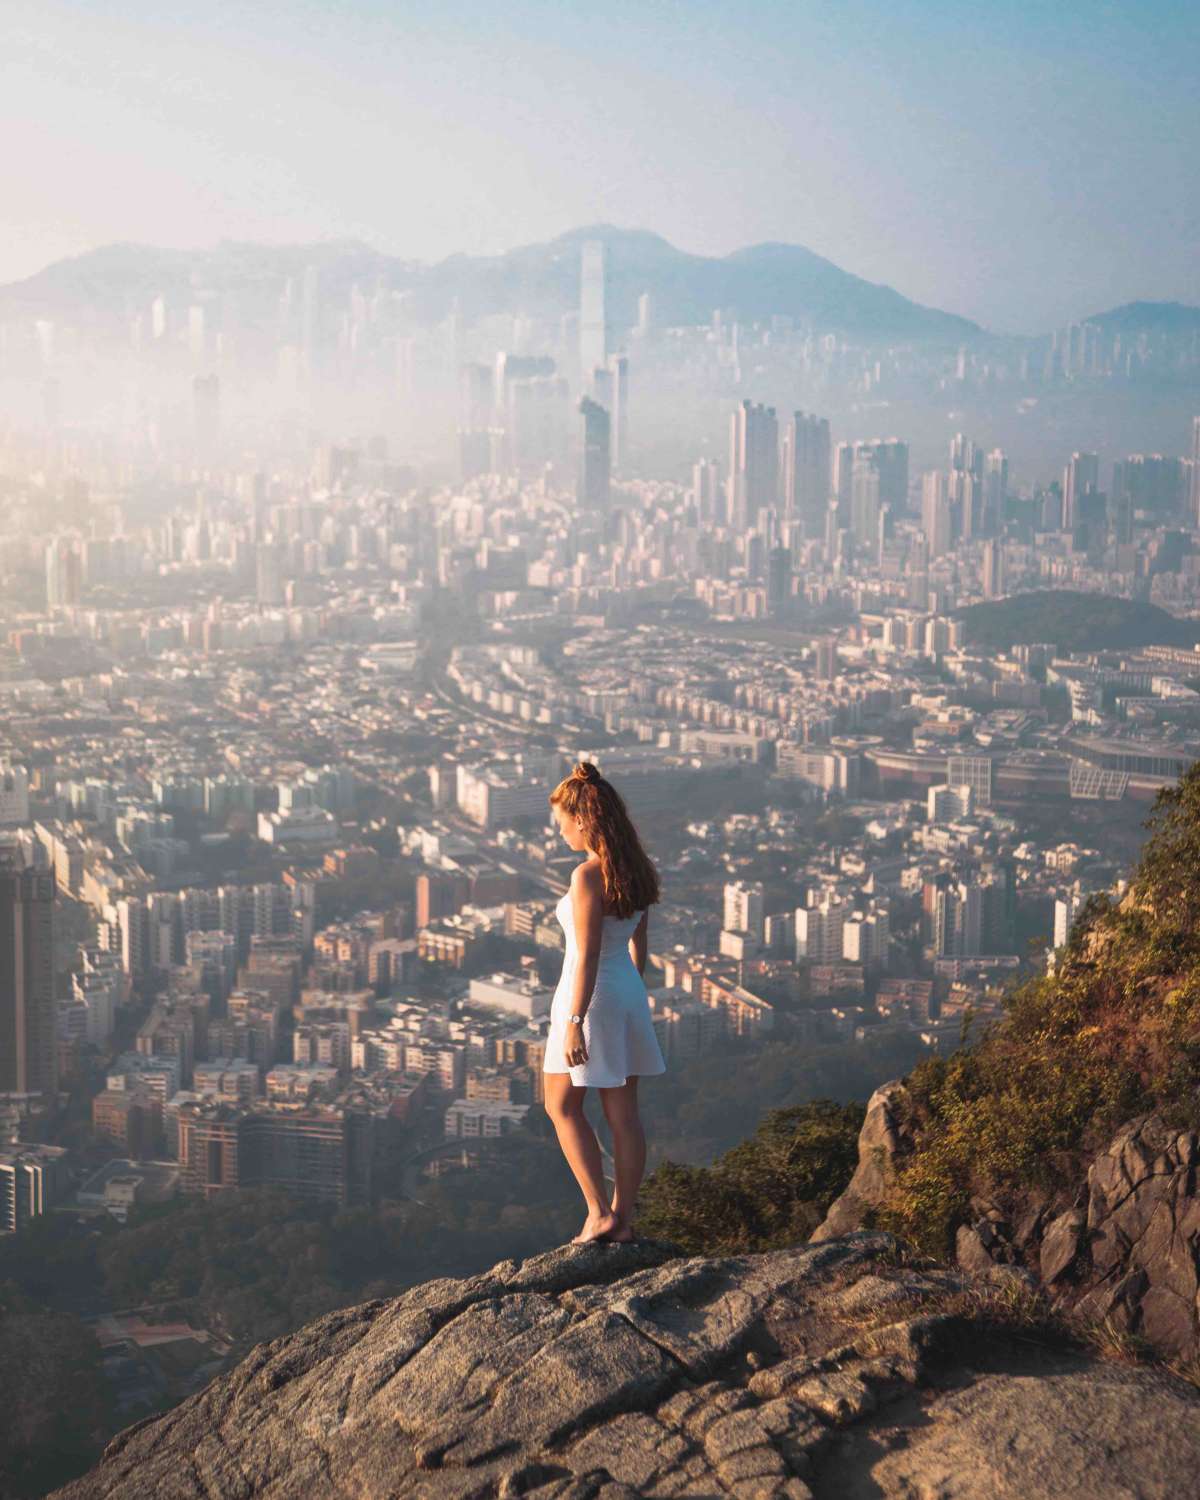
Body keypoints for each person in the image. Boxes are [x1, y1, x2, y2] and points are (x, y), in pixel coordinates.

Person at [543, 760, 666, 1244]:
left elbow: (588, 953)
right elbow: (641, 942)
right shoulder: (635, 868)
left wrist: (575, 1020)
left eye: (562, 822)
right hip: (625, 993)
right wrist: (629, 993)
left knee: (561, 1105)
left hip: (586, 996)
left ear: (583, 820)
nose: (560, 832)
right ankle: (624, 1218)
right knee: (624, 1112)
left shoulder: (587, 876)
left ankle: (598, 1212)